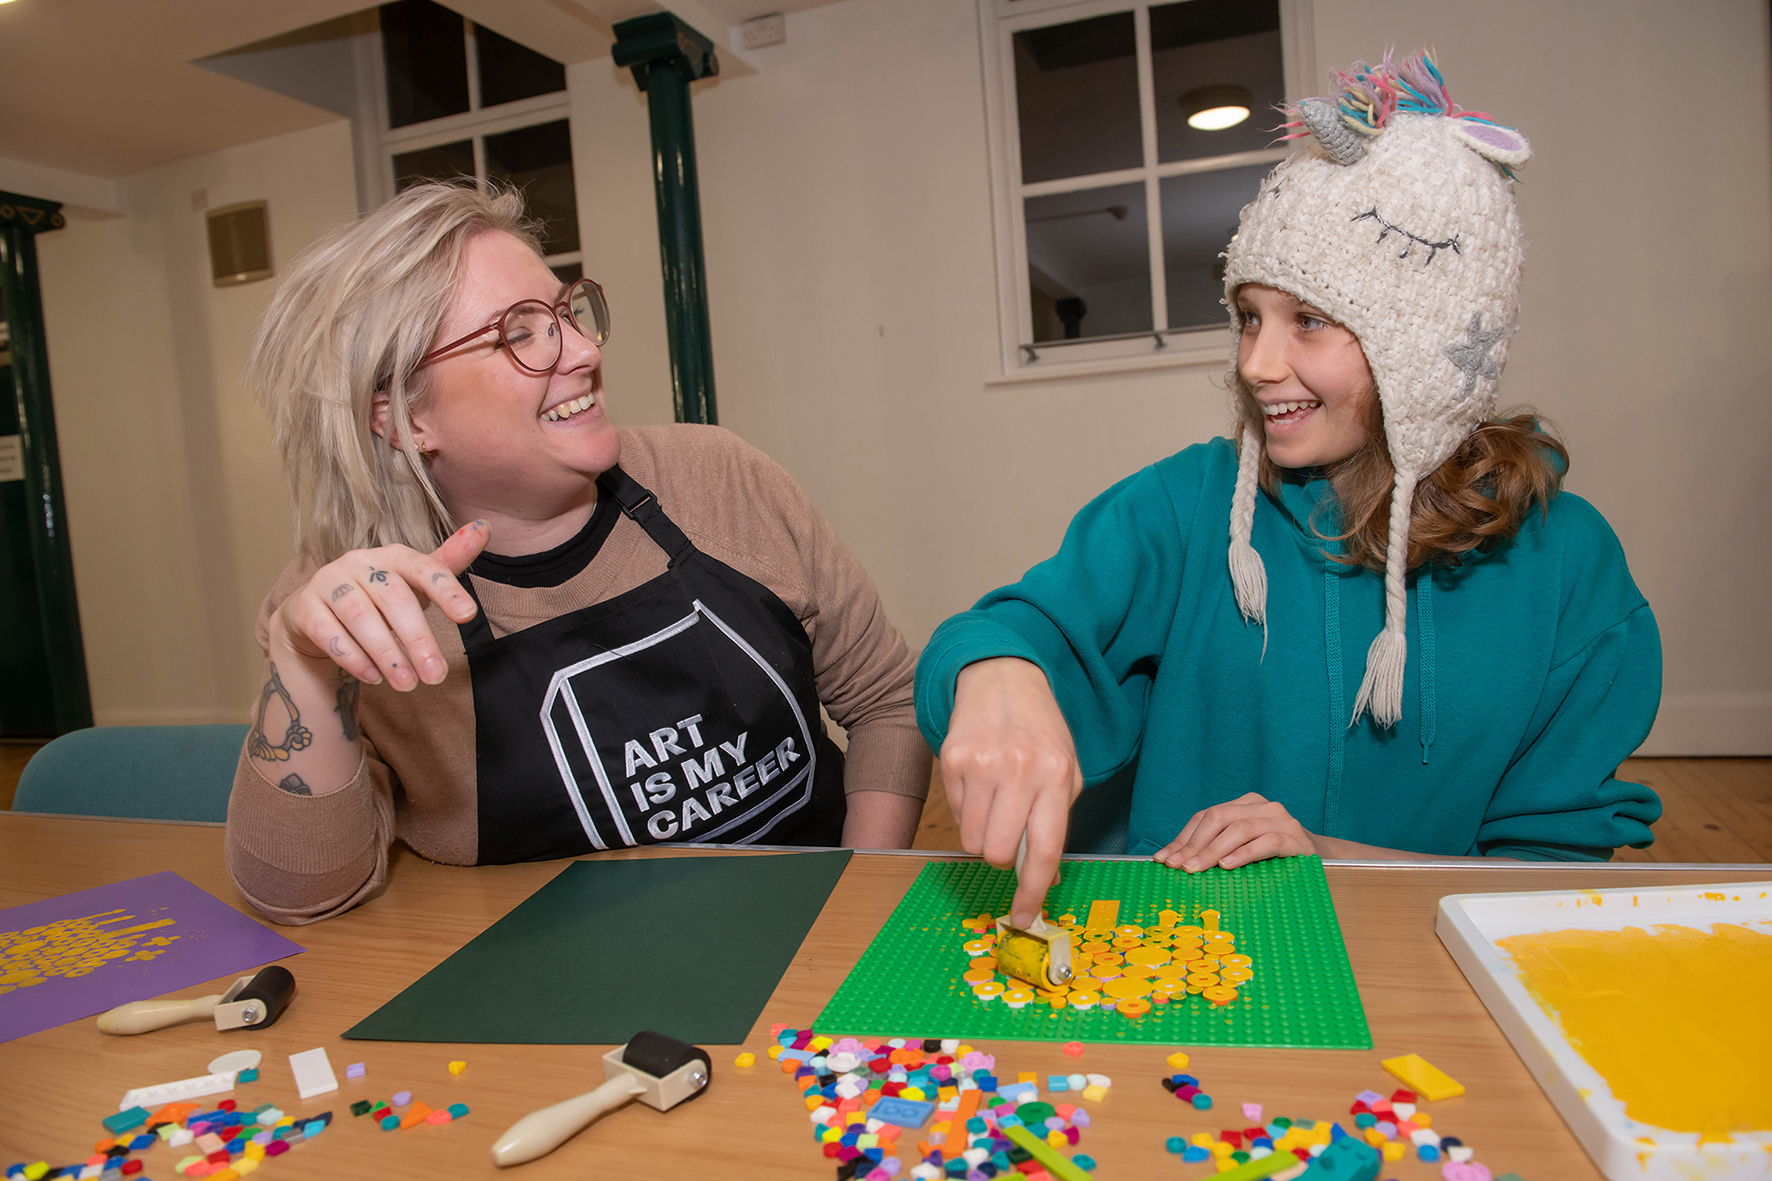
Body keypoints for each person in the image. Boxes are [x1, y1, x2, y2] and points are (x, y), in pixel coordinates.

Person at [916, 52, 1662, 926]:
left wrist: (1326, 856)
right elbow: (1015, 626)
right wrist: (998, 670)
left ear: (1425, 350)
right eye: (1248, 318)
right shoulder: (1184, 508)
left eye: (1307, 320)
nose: (1256, 363)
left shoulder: (1568, 566)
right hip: (1182, 964)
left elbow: (1547, 878)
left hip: (1424, 988)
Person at [227, 182, 930, 924]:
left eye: (566, 313)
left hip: (811, 936)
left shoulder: (720, 478)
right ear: (404, 415)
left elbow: (887, 702)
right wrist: (305, 670)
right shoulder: (349, 613)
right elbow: (301, 895)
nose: (586, 351)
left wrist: (859, 902)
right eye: (518, 334)